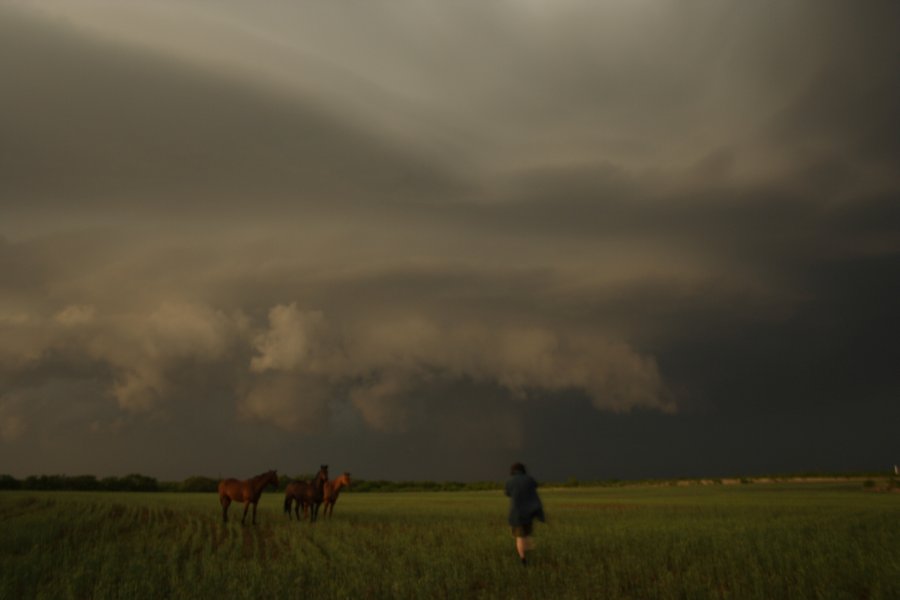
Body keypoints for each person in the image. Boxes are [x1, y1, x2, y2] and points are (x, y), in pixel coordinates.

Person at [505, 462, 545, 566]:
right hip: (529, 513)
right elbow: (535, 486)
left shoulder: (510, 481)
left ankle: (523, 559)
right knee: (527, 534)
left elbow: (507, 493)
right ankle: (528, 550)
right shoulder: (529, 479)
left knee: (519, 537)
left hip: (516, 514)